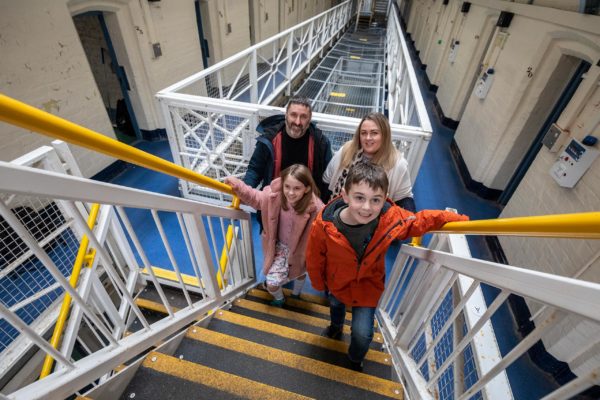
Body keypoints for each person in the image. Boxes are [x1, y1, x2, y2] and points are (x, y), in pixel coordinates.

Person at [306, 161, 468, 371]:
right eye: (359, 198)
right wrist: (319, 283)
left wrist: (455, 220)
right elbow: (314, 257)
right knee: (336, 306)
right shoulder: (324, 224)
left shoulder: (389, 218)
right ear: (345, 196)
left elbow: (418, 221)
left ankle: (354, 359)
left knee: (363, 335)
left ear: (384, 199)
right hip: (337, 282)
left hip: (367, 286)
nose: (366, 207)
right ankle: (335, 327)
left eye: (375, 200)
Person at [226, 164, 324, 306]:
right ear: (282, 184)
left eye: (297, 188)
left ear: (307, 188)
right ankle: (280, 298)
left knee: (301, 271)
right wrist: (238, 185)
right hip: (278, 246)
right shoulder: (273, 196)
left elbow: (325, 231)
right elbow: (254, 197)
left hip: (300, 250)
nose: (290, 192)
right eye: (287, 186)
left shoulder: (316, 209)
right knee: (272, 283)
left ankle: (296, 294)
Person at [243, 96, 333, 203]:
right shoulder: (270, 139)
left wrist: (325, 207)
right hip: (274, 202)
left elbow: (328, 178)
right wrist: (244, 191)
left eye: (303, 117)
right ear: (286, 115)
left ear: (309, 119)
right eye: (293, 115)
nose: (298, 122)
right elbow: (255, 169)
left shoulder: (321, 144)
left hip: (306, 205)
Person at [323, 112, 416, 212]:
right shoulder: (346, 151)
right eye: (363, 133)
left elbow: (405, 199)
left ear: (385, 135)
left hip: (372, 219)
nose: (368, 138)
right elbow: (326, 182)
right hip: (338, 212)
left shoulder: (398, 164)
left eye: (374, 133)